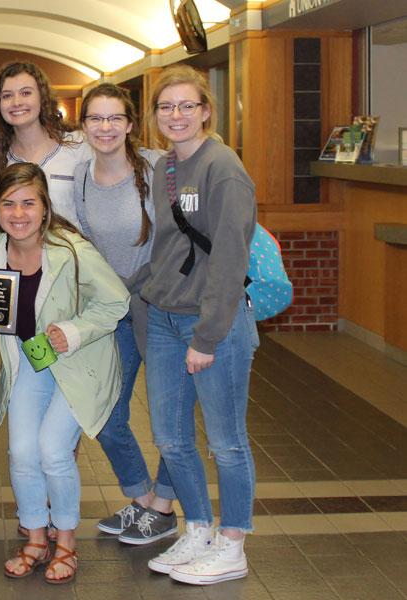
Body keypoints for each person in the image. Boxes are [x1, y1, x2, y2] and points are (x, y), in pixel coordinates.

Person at [0, 162, 129, 584]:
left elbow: (116, 302)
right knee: (21, 451)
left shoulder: (72, 249)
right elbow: (2, 312)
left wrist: (73, 331)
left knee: (53, 449)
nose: (18, 213)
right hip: (29, 359)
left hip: (79, 363)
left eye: (28, 203)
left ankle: (66, 543)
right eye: (8, 203)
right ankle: (36, 538)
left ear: (44, 207)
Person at [141, 65, 259, 585]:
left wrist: (207, 336)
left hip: (216, 325)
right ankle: (198, 529)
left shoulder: (223, 168)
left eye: (187, 105)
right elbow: (168, 250)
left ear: (207, 110)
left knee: (226, 441)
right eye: (167, 107)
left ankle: (232, 544)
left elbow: (231, 259)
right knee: (170, 437)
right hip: (167, 320)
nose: (176, 115)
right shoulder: (167, 165)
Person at [73, 83, 178, 545]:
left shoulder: (158, 168)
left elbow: (181, 236)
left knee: (170, 417)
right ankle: (140, 498)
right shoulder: (80, 175)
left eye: (115, 118)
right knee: (107, 413)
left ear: (131, 123)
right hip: (113, 311)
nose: (106, 127)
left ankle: (166, 505)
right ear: (84, 125)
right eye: (96, 118)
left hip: (162, 307)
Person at [0, 61, 91, 228]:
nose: (16, 102)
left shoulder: (78, 145)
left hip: (71, 251)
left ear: (42, 97)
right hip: (17, 252)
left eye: (26, 93)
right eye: (7, 95)